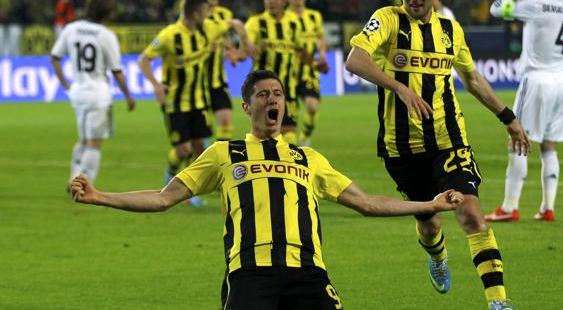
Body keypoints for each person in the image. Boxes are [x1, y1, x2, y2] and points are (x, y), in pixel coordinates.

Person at [70, 69, 465, 310]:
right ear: (247, 107)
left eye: (277, 94)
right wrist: (100, 196)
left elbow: (366, 202)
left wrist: (429, 203)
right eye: (264, 95)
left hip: (308, 273)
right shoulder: (225, 152)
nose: (273, 100)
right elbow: (163, 197)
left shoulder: (306, 158)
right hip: (250, 275)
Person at [345, 0, 531, 309]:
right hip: (401, 147)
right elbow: (355, 60)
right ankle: (438, 256)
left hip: (449, 139)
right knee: (429, 223)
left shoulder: (450, 29)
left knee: (471, 215)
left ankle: (499, 301)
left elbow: (472, 78)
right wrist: (399, 87)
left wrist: (507, 116)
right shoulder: (387, 19)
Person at [139, 0, 255, 197]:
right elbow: (143, 59)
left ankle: (190, 193)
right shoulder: (169, 35)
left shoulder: (209, 28)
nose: (207, 16)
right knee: (183, 150)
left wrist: (245, 42)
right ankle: (169, 178)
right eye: (204, 13)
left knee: (200, 147)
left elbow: (235, 23)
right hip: (175, 103)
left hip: (200, 101)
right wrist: (156, 85)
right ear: (194, 15)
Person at [486, 0, 563, 223]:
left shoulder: (533, 5)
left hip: (536, 80)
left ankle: (509, 207)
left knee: (517, 139)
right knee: (549, 144)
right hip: (561, 81)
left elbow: (496, 9)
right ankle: (548, 207)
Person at [51, 0, 135, 188]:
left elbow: (54, 57)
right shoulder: (106, 36)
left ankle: (74, 178)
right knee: (94, 143)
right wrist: (129, 96)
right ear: (108, 14)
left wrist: (65, 84)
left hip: (77, 93)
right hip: (98, 95)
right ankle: (82, 184)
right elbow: (116, 71)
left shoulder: (71, 29)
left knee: (84, 139)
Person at [245, 0, 308, 145]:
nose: (271, 1)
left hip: (288, 88)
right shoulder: (256, 23)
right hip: (262, 92)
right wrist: (245, 49)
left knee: (289, 137)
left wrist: (315, 64)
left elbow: (300, 49)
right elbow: (246, 49)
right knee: (265, 137)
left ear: (284, 0)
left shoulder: (294, 23)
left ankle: (284, 169)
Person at [195, 0, 242, 142]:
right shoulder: (193, 15)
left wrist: (230, 51)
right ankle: (202, 161)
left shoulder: (225, 14)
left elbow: (225, 37)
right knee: (200, 135)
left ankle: (220, 164)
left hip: (217, 80)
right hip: (196, 82)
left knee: (226, 122)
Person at [286, 0, 330, 146]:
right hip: (289, 71)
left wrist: (323, 56)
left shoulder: (314, 16)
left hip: (310, 71)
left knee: (312, 107)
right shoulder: (284, 17)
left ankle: (304, 137)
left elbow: (320, 38)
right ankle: (288, 142)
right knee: (290, 112)